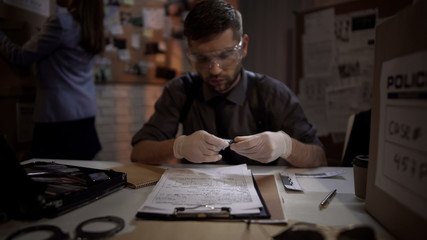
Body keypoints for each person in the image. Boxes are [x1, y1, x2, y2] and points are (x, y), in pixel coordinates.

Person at [131, 0, 327, 167]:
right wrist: (178, 147)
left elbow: (319, 157)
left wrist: (287, 146)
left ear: (244, 47)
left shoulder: (272, 93)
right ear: (188, 52)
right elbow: (138, 153)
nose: (215, 69)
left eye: (225, 55)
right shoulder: (180, 90)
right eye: (201, 58)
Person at [0, 0, 105, 160]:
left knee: (53, 177)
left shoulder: (61, 23)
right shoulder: (93, 28)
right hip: (85, 114)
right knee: (81, 176)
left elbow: (20, 57)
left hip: (59, 118)